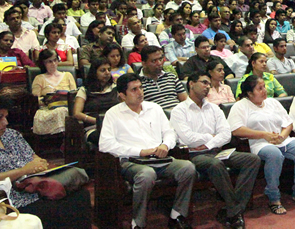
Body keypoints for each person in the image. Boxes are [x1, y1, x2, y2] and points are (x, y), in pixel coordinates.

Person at [99, 73, 196, 229]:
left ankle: (177, 215)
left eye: (141, 88)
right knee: (146, 174)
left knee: (188, 168)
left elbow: (170, 132)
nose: (140, 92)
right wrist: (139, 151)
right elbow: (105, 145)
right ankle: (138, 223)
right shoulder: (113, 114)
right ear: (122, 95)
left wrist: (165, 145)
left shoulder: (154, 108)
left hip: (160, 158)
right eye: (134, 89)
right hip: (132, 161)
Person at [0, 93, 92, 229]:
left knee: (81, 196)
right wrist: (23, 171)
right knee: (55, 211)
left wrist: (39, 163)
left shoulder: (11, 135)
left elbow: (33, 157)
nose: (5, 122)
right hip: (10, 199)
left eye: (5, 117)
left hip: (37, 188)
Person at [170, 71, 259, 229]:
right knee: (215, 164)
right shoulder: (179, 110)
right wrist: (211, 136)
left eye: (209, 84)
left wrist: (209, 144)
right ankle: (235, 212)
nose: (207, 87)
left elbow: (226, 134)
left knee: (252, 160)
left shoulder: (214, 108)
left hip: (215, 151)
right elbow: (187, 139)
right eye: (204, 82)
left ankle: (232, 209)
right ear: (191, 84)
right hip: (194, 155)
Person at [229, 75, 295, 214]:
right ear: (250, 93)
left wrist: (282, 136)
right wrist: (264, 135)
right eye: (260, 88)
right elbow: (236, 129)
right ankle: (274, 198)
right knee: (274, 154)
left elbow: (288, 123)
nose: (265, 90)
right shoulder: (240, 106)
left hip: (281, 140)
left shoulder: (272, 102)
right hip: (259, 143)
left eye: (264, 87)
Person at [31, 49, 77, 135]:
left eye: (55, 60)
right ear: (43, 63)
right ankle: (64, 138)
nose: (53, 64)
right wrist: (49, 99)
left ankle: (66, 138)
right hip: (47, 110)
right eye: (49, 61)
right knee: (61, 111)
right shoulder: (39, 78)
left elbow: (74, 95)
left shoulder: (68, 75)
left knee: (63, 111)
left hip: (67, 108)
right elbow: (35, 99)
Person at [73, 59, 119, 144]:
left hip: (115, 126)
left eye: (109, 70)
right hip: (94, 127)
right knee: (106, 138)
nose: (107, 73)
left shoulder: (115, 88)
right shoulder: (84, 90)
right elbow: (77, 113)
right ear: (94, 73)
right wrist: (98, 121)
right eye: (103, 70)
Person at [138, 45, 187, 110]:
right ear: (144, 63)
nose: (159, 63)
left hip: (177, 113)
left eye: (160, 59)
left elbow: (185, 101)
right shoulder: (138, 83)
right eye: (154, 61)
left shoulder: (171, 77)